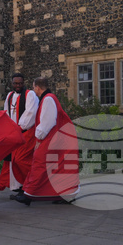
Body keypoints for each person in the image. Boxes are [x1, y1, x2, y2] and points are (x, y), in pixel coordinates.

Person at [13, 77, 80, 205]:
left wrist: (39, 137)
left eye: (34, 87)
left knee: (39, 163)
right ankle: (63, 194)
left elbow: (48, 122)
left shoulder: (48, 99)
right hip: (57, 139)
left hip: (52, 140)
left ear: (38, 87)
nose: (33, 90)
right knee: (57, 168)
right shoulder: (49, 98)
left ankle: (29, 195)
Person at [0, 73, 38, 195]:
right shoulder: (9, 96)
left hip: (26, 133)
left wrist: (20, 127)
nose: (18, 85)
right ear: (12, 83)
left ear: (23, 82)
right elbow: (6, 113)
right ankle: (19, 187)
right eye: (15, 83)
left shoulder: (30, 95)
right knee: (12, 161)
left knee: (21, 160)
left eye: (20, 83)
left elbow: (31, 113)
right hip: (13, 134)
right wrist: (8, 129)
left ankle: (31, 184)